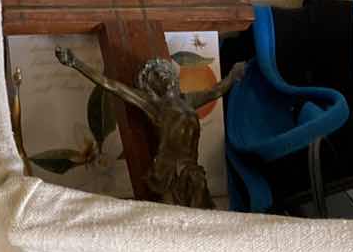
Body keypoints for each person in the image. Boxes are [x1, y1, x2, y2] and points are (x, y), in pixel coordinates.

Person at [54, 46, 238, 209]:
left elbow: (216, 90)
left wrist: (234, 74)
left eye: (164, 70)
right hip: (168, 171)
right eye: (155, 75)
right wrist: (75, 62)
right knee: (170, 218)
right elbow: (112, 86)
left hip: (192, 169)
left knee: (204, 215)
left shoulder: (188, 100)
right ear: (151, 84)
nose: (161, 74)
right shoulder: (154, 104)